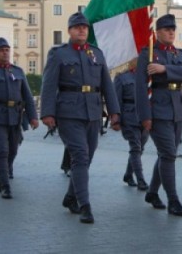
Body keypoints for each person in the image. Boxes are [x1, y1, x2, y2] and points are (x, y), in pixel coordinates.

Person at [40, 13, 120, 223]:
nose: (82, 30)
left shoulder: (97, 54)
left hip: (93, 112)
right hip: (68, 113)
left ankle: (70, 197)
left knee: (86, 159)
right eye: (77, 27)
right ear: (69, 30)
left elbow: (107, 86)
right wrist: (47, 113)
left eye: (84, 27)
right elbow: (49, 85)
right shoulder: (58, 54)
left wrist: (114, 112)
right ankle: (85, 206)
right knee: (80, 157)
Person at [136, 14, 182, 217]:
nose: (171, 32)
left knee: (166, 154)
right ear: (157, 32)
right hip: (157, 110)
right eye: (166, 29)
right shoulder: (148, 54)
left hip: (178, 109)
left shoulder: (180, 53)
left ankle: (152, 193)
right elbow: (140, 87)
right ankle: (173, 200)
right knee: (169, 154)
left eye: (173, 29)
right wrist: (145, 116)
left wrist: (165, 69)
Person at [0, 38, 39, 198]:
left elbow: (27, 95)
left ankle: (1, 175)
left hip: (15, 116)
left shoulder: (17, 71)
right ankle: (5, 185)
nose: (5, 52)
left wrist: (33, 117)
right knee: (2, 150)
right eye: (2, 50)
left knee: (13, 149)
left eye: (7, 50)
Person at [115, 61, 149, 191]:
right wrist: (116, 120)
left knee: (140, 148)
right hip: (129, 116)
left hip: (145, 117)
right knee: (135, 148)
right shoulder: (121, 77)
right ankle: (140, 180)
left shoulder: (148, 77)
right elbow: (116, 100)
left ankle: (128, 175)